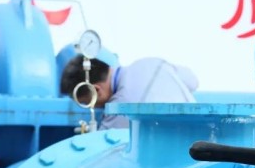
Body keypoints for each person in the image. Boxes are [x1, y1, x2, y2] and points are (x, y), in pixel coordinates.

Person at [60, 55, 199, 129]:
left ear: (96, 90)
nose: (93, 107)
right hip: (202, 138)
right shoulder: (151, 62)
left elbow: (100, 149)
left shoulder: (119, 109)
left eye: (87, 102)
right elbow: (193, 81)